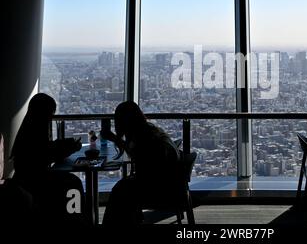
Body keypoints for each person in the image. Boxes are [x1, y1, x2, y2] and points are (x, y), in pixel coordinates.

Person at [10, 93, 86, 224]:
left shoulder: (29, 129)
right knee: (74, 184)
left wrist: (61, 146)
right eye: (50, 113)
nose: (51, 117)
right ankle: (76, 220)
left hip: (27, 180)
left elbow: (43, 151)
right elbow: (46, 155)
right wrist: (68, 147)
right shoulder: (37, 131)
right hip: (35, 182)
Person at [102, 101, 181, 226]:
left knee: (119, 191)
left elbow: (141, 158)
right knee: (121, 188)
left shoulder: (144, 137)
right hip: (169, 183)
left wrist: (115, 139)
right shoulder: (150, 131)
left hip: (158, 188)